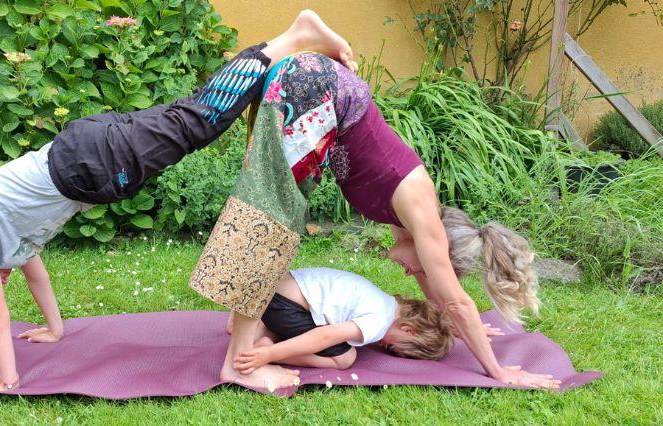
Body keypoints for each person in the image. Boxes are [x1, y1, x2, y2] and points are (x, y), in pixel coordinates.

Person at [0, 11, 357, 396]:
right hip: (87, 160)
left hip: (87, 164)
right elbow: (36, 276)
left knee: (197, 122)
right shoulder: (1, 236)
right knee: (194, 119)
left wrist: (5, 379)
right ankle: (278, 48)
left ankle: (291, 38)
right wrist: (55, 329)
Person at [190, 51, 560, 390]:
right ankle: (240, 364)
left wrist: (463, 329)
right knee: (268, 219)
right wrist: (498, 371)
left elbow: (444, 300)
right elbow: (455, 302)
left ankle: (245, 335)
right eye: (431, 268)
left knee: (266, 214)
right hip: (315, 87)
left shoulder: (414, 216)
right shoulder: (423, 216)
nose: (411, 274)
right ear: (436, 249)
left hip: (310, 83)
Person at [228, 268, 453, 374]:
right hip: (282, 304)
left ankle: (255, 325)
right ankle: (268, 344)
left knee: (322, 326)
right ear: (409, 330)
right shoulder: (379, 322)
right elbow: (325, 336)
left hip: (274, 288)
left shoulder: (385, 302)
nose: (386, 348)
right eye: (394, 348)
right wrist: (271, 355)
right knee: (345, 358)